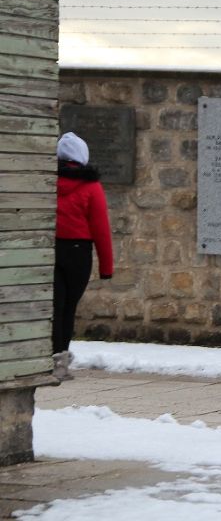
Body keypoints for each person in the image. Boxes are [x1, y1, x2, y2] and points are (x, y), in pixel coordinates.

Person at [54, 131, 114, 380]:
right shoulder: (91, 187)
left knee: (53, 308)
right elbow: (101, 229)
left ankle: (48, 356)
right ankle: (60, 363)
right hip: (79, 253)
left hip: (52, 249)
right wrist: (106, 268)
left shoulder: (49, 181)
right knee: (68, 309)